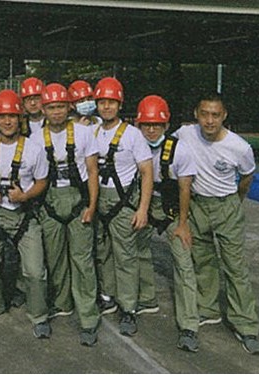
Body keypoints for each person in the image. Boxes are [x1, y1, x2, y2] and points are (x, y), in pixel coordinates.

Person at [173, 93, 259, 355]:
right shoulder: (186, 134)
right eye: (204, 114)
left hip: (227, 205)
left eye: (215, 115)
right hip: (198, 205)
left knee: (235, 267)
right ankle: (208, 309)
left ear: (224, 116)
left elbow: (247, 177)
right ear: (196, 114)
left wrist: (234, 202)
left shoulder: (239, 147)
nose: (209, 121)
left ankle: (245, 325)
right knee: (203, 260)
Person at [29, 83, 101, 346]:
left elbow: (93, 171)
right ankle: (62, 304)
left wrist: (91, 206)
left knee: (82, 262)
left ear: (69, 107)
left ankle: (88, 318)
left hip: (77, 198)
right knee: (55, 258)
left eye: (60, 106)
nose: (56, 112)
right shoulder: (35, 138)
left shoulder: (83, 133)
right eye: (51, 107)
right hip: (49, 202)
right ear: (44, 109)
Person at [0, 89, 50, 338]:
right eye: (2, 117)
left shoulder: (34, 149)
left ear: (20, 119)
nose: (7, 122)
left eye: (12, 116)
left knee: (34, 271)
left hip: (25, 215)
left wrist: (25, 196)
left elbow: (42, 181)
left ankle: (39, 314)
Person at [134, 95, 199, 352]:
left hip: (173, 209)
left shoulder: (180, 150)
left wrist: (182, 224)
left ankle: (189, 325)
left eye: (156, 125)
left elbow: (185, 189)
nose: (151, 130)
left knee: (183, 263)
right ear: (139, 125)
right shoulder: (133, 144)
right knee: (137, 250)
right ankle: (147, 297)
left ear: (166, 125)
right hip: (145, 206)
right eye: (146, 124)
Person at [92, 77, 153, 337]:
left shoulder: (132, 135)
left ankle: (128, 307)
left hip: (123, 203)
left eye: (111, 102)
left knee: (125, 256)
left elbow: (147, 173)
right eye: (102, 102)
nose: (107, 107)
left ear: (120, 104)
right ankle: (108, 295)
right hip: (98, 200)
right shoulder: (91, 131)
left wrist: (142, 209)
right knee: (102, 251)